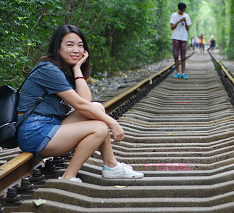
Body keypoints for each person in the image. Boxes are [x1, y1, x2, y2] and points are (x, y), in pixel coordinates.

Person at [16, 24, 145, 182]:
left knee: (97, 108)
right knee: (100, 128)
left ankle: (111, 166)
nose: (76, 50)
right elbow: (82, 106)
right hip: (34, 132)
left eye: (80, 45)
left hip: (50, 126)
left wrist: (77, 68)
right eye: (69, 45)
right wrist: (113, 123)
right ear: (57, 47)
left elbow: (87, 103)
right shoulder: (48, 70)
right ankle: (68, 177)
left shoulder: (65, 71)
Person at [169, 2, 192, 78]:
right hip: (175, 37)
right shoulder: (174, 15)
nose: (182, 12)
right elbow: (172, 27)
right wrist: (178, 21)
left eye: (184, 10)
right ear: (179, 9)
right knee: (176, 56)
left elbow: (187, 28)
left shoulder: (187, 16)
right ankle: (177, 72)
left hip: (183, 38)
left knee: (183, 56)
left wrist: (185, 21)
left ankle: (183, 73)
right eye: (181, 10)